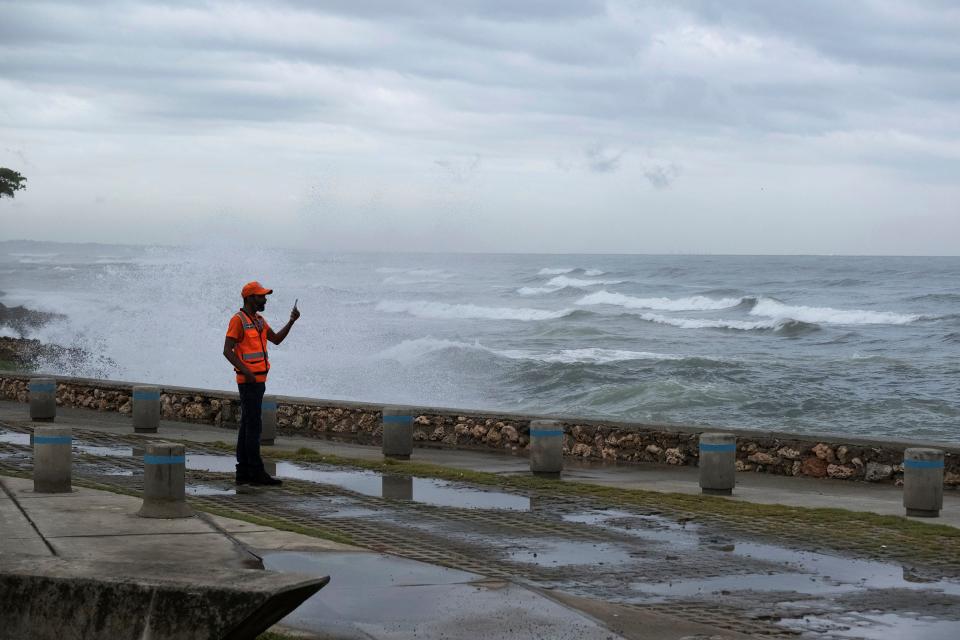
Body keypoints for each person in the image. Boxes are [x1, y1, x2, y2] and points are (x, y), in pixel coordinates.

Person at [223, 280, 300, 486]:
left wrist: (291, 321)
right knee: (253, 427)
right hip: (249, 381)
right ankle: (255, 472)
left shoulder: (259, 320)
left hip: (258, 381)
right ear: (249, 298)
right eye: (261, 296)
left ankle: (244, 472)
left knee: (248, 425)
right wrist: (246, 371)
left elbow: (275, 339)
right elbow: (227, 350)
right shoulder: (238, 320)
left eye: (265, 296)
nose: (265, 299)